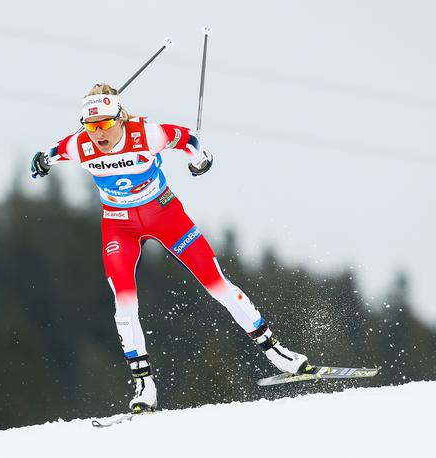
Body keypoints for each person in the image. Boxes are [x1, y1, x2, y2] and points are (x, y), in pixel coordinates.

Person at [30, 83, 308, 413]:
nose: (98, 134)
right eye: (91, 126)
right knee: (124, 303)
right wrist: (41, 162)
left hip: (163, 214)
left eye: (105, 124)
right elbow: (50, 153)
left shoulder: (145, 135)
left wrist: (200, 161)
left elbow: (188, 139)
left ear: (120, 118)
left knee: (216, 284)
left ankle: (277, 353)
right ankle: (144, 386)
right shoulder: (80, 145)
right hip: (118, 224)